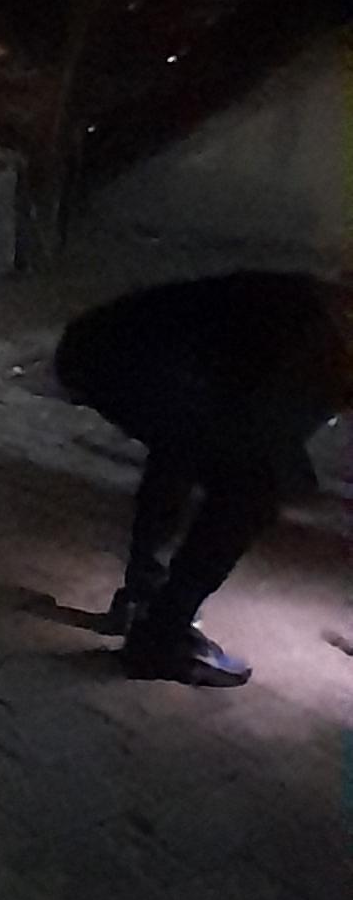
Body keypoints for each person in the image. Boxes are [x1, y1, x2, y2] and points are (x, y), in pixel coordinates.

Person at [54, 271, 349, 688]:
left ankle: (144, 599)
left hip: (108, 348)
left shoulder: (315, 320)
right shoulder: (318, 342)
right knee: (253, 491)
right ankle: (160, 638)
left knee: (188, 448)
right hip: (122, 359)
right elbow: (268, 447)